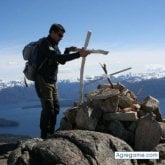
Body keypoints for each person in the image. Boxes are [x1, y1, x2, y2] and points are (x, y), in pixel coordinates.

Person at [34, 23, 90, 139]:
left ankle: (51, 133)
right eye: (59, 35)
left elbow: (61, 61)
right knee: (48, 109)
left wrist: (67, 50)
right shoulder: (44, 44)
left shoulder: (54, 45)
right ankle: (44, 136)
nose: (61, 38)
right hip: (43, 81)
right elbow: (58, 58)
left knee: (56, 108)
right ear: (52, 33)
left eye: (62, 36)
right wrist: (79, 54)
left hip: (52, 81)